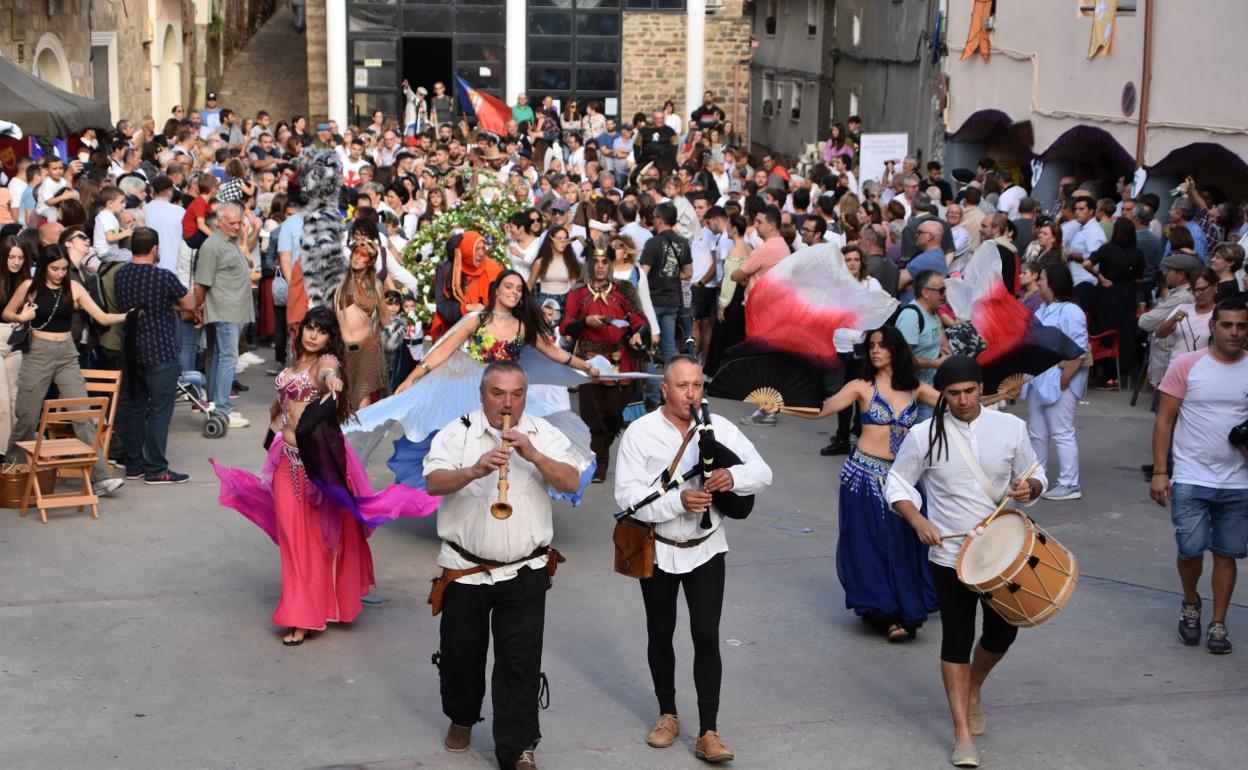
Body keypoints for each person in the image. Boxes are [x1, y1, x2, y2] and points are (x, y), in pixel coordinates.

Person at [213, 307, 436, 646]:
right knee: (292, 538)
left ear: (331, 338)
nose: (313, 335)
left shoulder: (324, 362)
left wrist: (333, 381)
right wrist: (274, 421)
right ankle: (304, 606)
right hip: (284, 461)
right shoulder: (296, 361)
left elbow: (329, 373)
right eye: (310, 328)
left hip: (315, 463)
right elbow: (282, 403)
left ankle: (304, 614)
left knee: (315, 538)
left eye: (321, 330)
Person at [886, 356, 1047, 769]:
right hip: (950, 554)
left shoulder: (1011, 428)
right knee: (956, 638)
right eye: (953, 394)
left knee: (1002, 634)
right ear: (943, 394)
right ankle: (961, 732)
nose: (961, 401)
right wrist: (918, 519)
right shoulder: (924, 435)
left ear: (981, 388)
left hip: (1004, 553)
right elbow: (899, 482)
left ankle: (974, 686)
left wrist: (1030, 487)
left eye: (969, 392)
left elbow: (1035, 472)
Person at [614, 355, 773, 765]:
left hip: (706, 547)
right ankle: (667, 714)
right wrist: (677, 501)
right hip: (660, 547)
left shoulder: (719, 427)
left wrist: (732, 478)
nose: (691, 394)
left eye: (697, 386)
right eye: (682, 386)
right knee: (660, 632)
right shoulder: (641, 432)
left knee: (706, 635)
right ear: (664, 389)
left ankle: (708, 731)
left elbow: (763, 471)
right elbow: (626, 498)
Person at [423, 361, 581, 770]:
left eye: (516, 394)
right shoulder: (457, 432)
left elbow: (570, 481)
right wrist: (475, 469)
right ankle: (461, 715)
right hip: (464, 568)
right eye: (498, 393)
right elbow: (433, 482)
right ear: (481, 394)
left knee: (520, 664)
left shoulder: (544, 434)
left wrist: (534, 454)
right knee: (461, 656)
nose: (507, 403)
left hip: (525, 570)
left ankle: (518, 748)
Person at [776, 327, 939, 637]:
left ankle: (904, 605)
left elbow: (954, 403)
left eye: (882, 346)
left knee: (904, 542)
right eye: (872, 346)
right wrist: (782, 406)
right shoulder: (861, 387)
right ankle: (884, 612)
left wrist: (994, 397)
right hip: (864, 475)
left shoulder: (913, 387)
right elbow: (822, 410)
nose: (875, 351)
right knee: (871, 542)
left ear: (896, 350)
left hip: (903, 478)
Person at [1150, 297, 1248, 655]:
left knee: (1227, 554)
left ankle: (1218, 623)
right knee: (1190, 549)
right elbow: (1165, 419)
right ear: (1213, 327)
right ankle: (1191, 600)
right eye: (1227, 325)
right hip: (1191, 477)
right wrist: (1161, 471)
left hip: (1239, 481)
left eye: (1241, 326)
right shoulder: (1187, 365)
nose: (1234, 332)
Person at [2, 245, 128, 495]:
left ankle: (101, 477)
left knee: (82, 414)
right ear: (45, 267)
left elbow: (102, 317)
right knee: (27, 415)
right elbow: (7, 312)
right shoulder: (30, 287)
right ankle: (10, 471)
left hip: (67, 354)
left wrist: (128, 316)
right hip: (37, 353)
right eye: (54, 268)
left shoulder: (74, 287)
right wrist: (21, 317)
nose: (60, 273)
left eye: (63, 268)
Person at [114, 227, 197, 484]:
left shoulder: (121, 274)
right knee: (160, 411)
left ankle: (133, 465)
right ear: (154, 249)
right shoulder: (163, 276)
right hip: (160, 349)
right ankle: (156, 468)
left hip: (132, 348)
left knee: (136, 407)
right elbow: (190, 303)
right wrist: (167, 304)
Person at [560, 248, 648, 481]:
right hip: (589, 361)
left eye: (604, 261)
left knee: (615, 415)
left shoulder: (622, 292)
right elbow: (565, 325)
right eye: (595, 261)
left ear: (610, 264)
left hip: (619, 361)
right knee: (593, 416)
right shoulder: (577, 294)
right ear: (589, 264)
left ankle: (601, 448)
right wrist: (584, 322)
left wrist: (638, 333)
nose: (599, 266)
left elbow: (637, 320)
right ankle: (600, 462)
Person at [1023, 263, 1089, 502]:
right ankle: (1037, 479)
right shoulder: (1043, 309)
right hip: (1040, 380)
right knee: (1037, 433)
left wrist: (1065, 379)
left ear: (1053, 282)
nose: (1038, 282)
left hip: (1060, 380)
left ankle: (1070, 484)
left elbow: (1079, 350)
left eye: (1042, 278)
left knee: (1062, 432)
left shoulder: (1071, 311)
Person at [194, 202, 254, 428]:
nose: (237, 227)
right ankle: (221, 408)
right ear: (219, 222)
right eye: (232, 223)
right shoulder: (212, 245)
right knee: (226, 358)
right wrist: (197, 309)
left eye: (239, 222)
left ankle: (217, 406)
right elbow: (201, 282)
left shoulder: (228, 242)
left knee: (221, 357)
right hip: (224, 310)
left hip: (231, 310)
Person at [639, 201, 692, 364]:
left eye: (654, 217)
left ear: (660, 219)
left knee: (649, 345)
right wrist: (672, 275)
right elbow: (688, 273)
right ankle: (670, 384)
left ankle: (652, 389)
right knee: (669, 345)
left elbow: (643, 274)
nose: (652, 220)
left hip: (653, 301)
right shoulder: (683, 243)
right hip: (672, 301)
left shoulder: (653, 243)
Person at [894, 270, 949, 422]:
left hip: (928, 389)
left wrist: (945, 350)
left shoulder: (933, 312)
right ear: (925, 292)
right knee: (913, 439)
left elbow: (940, 332)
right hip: (909, 392)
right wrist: (934, 364)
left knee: (926, 438)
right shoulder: (911, 317)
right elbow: (903, 358)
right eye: (941, 290)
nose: (944, 295)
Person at [0, 235, 32, 451]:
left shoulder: (27, 282)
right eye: (11, 257)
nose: (16, 261)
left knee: (14, 401)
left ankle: (13, 454)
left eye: (20, 257)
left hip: (16, 341)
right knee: (2, 402)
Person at [1155, 267, 1219, 370]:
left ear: (1215, 286)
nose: (1197, 294)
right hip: (1176, 370)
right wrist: (1173, 320)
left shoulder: (1219, 314)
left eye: (1201, 289)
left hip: (1203, 371)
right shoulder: (1182, 308)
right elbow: (1160, 334)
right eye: (1193, 290)